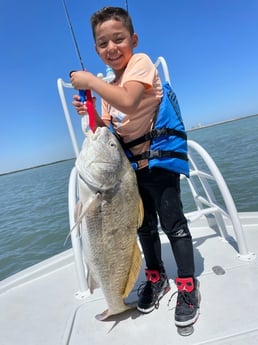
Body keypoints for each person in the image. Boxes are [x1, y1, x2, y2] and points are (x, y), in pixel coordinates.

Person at [70, 6, 200, 328]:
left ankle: (187, 286)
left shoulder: (140, 65)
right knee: (142, 226)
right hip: (130, 171)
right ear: (96, 49)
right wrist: (90, 111)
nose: (112, 48)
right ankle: (156, 277)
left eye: (119, 39)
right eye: (103, 43)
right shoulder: (109, 89)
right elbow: (110, 130)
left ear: (133, 39)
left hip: (159, 161)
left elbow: (129, 102)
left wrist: (91, 82)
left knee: (173, 222)